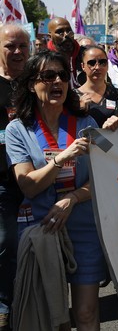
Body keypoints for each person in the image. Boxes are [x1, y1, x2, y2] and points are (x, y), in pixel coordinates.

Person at [5, 51, 106, 330]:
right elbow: (28, 184)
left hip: (84, 227)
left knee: (86, 313)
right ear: (30, 84)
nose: (57, 81)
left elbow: (105, 176)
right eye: (48, 76)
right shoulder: (17, 130)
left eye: (62, 75)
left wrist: (72, 199)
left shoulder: (87, 124)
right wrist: (61, 157)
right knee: (54, 317)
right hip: (43, 227)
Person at [0, 24, 29, 330]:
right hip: (4, 184)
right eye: (10, 46)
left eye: (23, 45)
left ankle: (37, 304)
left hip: (40, 179)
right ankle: (4, 305)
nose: (18, 52)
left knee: (42, 246)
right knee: (6, 244)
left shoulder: (37, 82)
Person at [75, 46, 118, 127]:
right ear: (83, 66)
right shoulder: (73, 97)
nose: (97, 67)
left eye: (102, 62)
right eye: (91, 63)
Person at [47, 17, 82, 87]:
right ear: (50, 36)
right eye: (60, 32)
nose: (66, 35)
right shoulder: (44, 60)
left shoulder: (85, 55)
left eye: (69, 31)